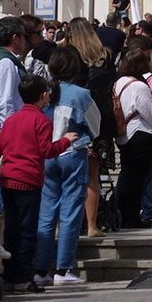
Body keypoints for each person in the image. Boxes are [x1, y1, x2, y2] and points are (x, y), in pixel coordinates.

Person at [0, 76, 76, 293]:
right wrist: (66, 140)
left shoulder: (11, 120)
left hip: (8, 179)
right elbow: (46, 151)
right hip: (28, 181)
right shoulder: (41, 120)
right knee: (27, 231)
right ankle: (22, 276)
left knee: (12, 230)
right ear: (43, 96)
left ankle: (10, 275)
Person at [33, 48, 99, 287]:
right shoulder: (81, 94)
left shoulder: (45, 91)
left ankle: (41, 268)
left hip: (47, 155)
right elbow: (95, 126)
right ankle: (64, 267)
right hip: (72, 153)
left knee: (47, 211)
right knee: (70, 212)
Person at [62, 18, 115, 238]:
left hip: (74, 121)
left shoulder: (70, 57)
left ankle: (70, 222)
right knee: (92, 176)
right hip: (99, 121)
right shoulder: (105, 56)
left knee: (70, 176)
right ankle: (92, 225)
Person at [111, 48, 152, 229]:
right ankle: (131, 217)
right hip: (140, 134)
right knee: (137, 179)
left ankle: (121, 213)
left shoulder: (119, 82)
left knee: (127, 175)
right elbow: (149, 112)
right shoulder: (139, 86)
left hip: (124, 133)